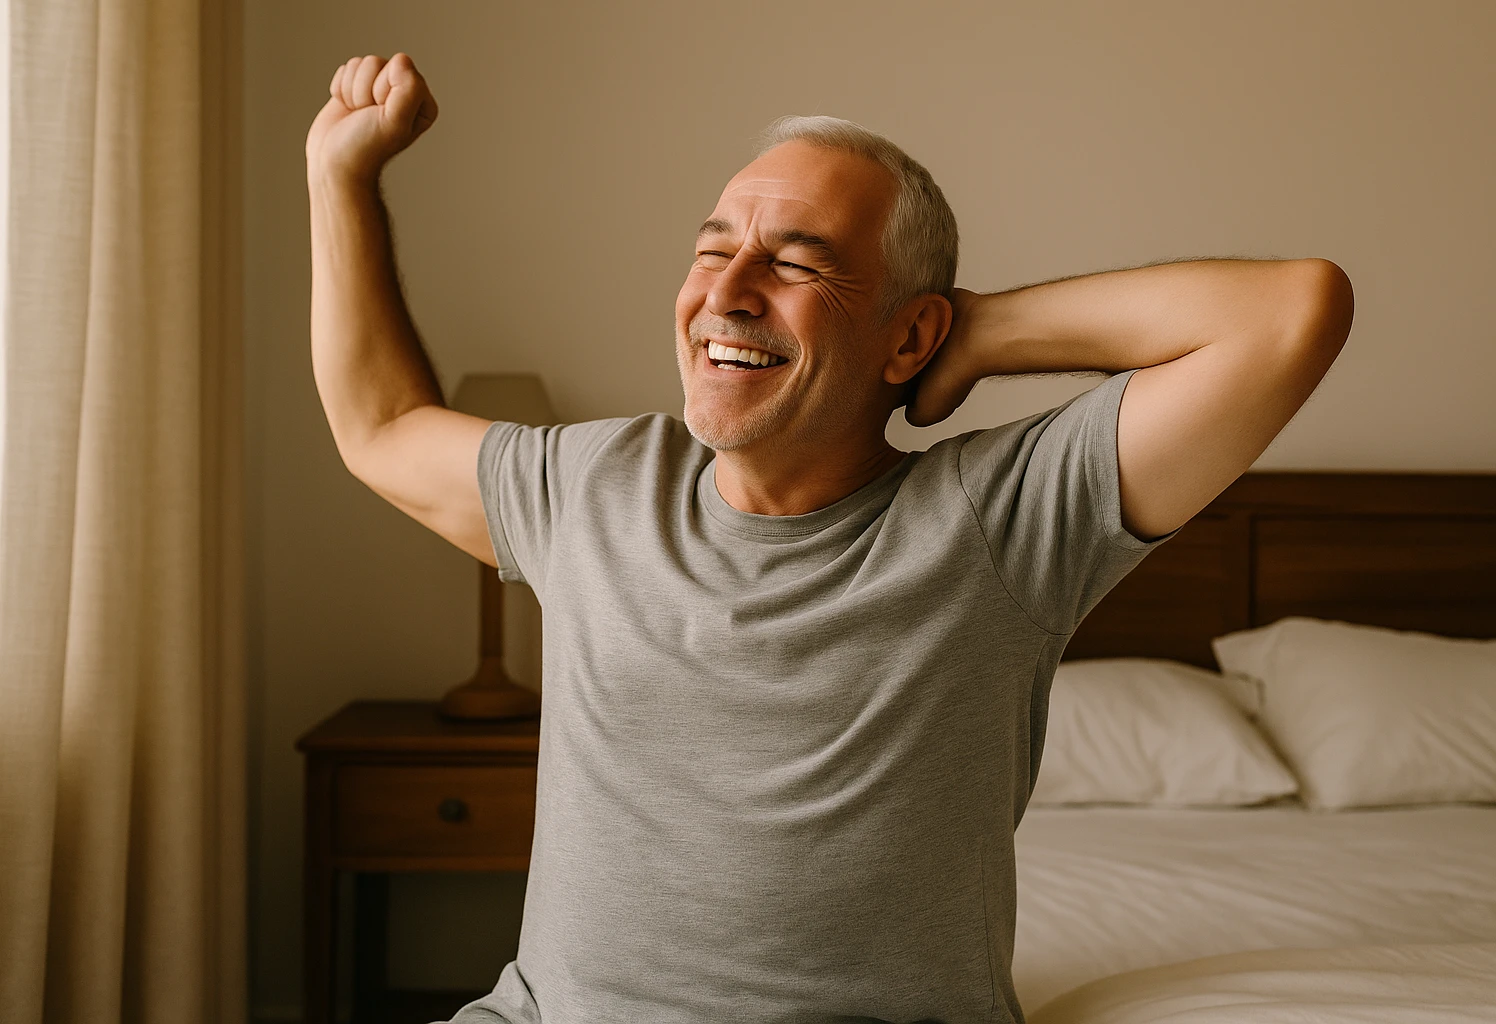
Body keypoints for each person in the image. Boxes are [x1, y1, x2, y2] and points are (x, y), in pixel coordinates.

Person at [306, 52, 1353, 1024]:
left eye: (795, 266)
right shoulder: (595, 486)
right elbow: (383, 426)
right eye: (712, 250)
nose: (724, 292)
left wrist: (981, 328)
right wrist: (338, 179)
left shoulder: (1005, 521)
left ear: (907, 334)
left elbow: (1290, 313)